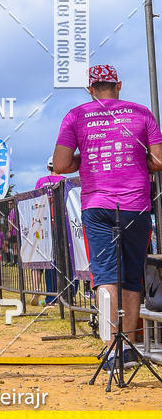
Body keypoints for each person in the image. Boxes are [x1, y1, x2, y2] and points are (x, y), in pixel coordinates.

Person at [53, 64, 162, 368]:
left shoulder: (76, 115)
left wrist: (90, 156)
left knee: (104, 276)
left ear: (90, 89)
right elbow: (158, 160)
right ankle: (129, 348)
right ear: (119, 85)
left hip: (97, 205)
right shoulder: (142, 113)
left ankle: (112, 347)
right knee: (131, 276)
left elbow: (60, 165)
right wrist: (131, 157)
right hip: (135, 205)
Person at [30, 157, 65, 306]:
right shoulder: (64, 181)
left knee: (41, 259)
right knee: (61, 261)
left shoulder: (41, 181)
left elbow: (35, 201)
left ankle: (37, 289)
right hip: (61, 224)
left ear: (47, 167)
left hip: (43, 224)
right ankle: (61, 295)